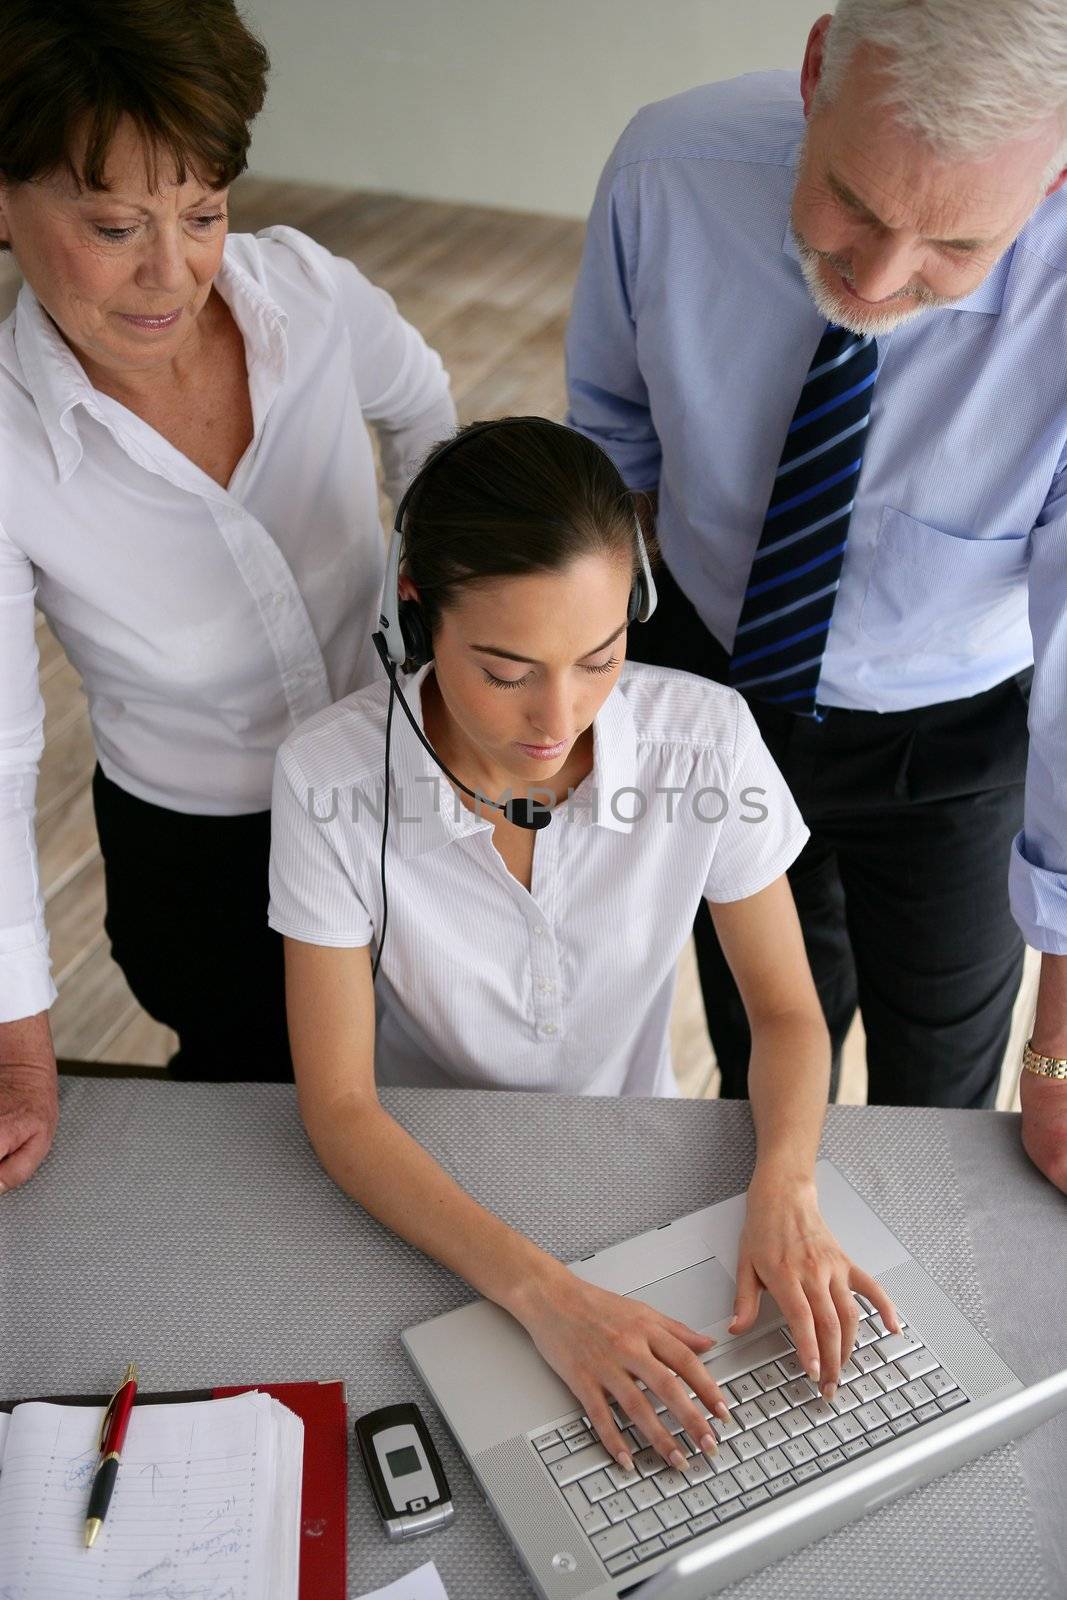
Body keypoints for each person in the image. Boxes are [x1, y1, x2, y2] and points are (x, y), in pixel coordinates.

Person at [268, 415, 900, 1470]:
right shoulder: (328, 780)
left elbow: (787, 1011)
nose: (555, 717)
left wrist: (785, 1186)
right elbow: (337, 1107)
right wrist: (547, 1301)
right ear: (411, 612)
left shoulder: (705, 739)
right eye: (505, 670)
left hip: (637, 1147)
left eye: (599, 657)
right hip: (421, 1172)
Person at [565, 0, 1067, 1191]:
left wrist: (1056, 1058)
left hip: (952, 738)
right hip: (709, 683)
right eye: (853, 199)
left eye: (953, 246)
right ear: (811, 68)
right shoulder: (667, 168)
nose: (880, 278)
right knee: (760, 1046)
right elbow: (612, 441)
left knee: (939, 1084)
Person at [0, 0, 456, 1190]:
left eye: (201, 214)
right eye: (112, 226)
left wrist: (431, 626)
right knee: (261, 1139)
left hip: (395, 779)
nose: (172, 274)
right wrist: (22, 1051)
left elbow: (419, 409)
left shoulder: (305, 294)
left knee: (439, 1095)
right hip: (202, 864)